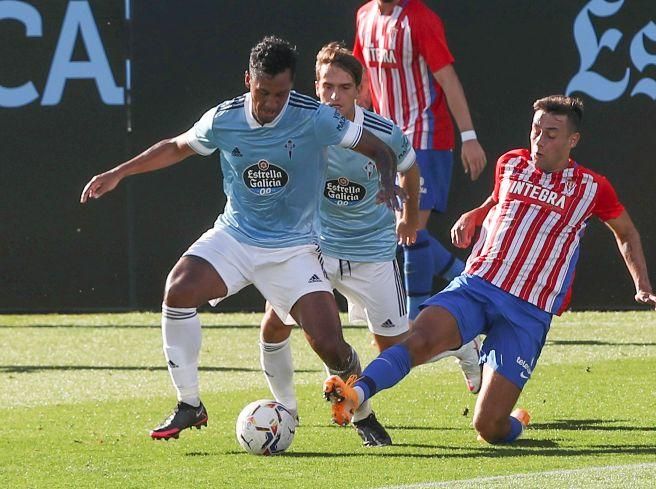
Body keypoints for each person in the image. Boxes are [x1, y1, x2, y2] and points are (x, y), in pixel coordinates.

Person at [80, 36, 403, 441]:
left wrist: (388, 182)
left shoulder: (316, 117)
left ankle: (363, 415)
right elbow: (177, 146)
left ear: (292, 87)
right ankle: (189, 404)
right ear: (247, 79)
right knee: (178, 290)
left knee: (329, 346)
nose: (270, 103)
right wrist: (119, 173)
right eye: (263, 92)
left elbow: (381, 151)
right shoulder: (224, 118)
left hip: (294, 249)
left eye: (281, 94)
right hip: (236, 236)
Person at [323, 95, 656, 444]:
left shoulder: (592, 188)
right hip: (478, 285)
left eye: (551, 134)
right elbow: (498, 199)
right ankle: (358, 393)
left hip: (528, 311)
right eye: (536, 130)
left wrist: (641, 284)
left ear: (572, 140)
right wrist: (475, 213)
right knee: (419, 339)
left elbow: (626, 231)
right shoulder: (511, 163)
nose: (540, 139)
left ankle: (517, 421)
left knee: (489, 427)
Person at [258, 42, 482, 447]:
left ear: (360, 91)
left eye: (344, 87)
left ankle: (460, 347)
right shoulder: (300, 126)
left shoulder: (382, 132)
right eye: (326, 86)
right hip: (317, 251)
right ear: (315, 86)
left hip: (371, 256)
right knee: (274, 325)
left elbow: (411, 170)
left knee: (397, 352)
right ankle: (286, 410)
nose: (333, 96)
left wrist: (411, 217)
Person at [353, 0, 488, 322]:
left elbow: (447, 78)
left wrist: (469, 137)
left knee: (411, 229)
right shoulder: (364, 16)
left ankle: (415, 320)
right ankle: (473, 285)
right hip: (386, 139)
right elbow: (363, 82)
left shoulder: (420, 19)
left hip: (425, 136)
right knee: (401, 231)